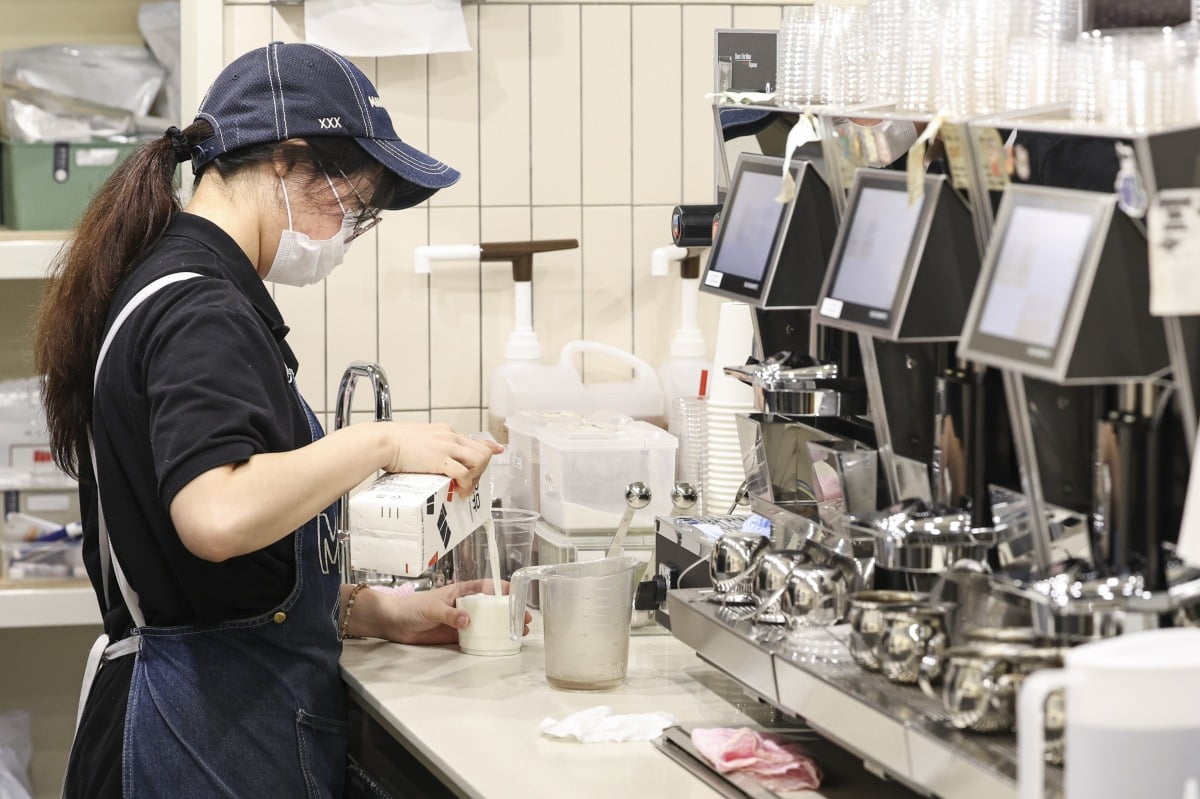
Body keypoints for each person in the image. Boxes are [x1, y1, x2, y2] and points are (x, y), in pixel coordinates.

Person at [34, 41, 523, 798]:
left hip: (207, 713)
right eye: (353, 207)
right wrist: (380, 441)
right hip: (195, 731)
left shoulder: (180, 283)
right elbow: (216, 516)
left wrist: (375, 612)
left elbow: (220, 577)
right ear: (288, 162)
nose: (347, 236)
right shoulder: (199, 307)